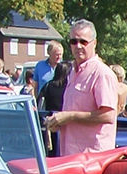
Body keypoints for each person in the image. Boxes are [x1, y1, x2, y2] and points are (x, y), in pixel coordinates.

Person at [45, 21, 117, 156]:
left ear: (94, 43)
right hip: (71, 155)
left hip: (91, 158)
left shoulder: (101, 73)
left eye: (83, 42)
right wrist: (59, 122)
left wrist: (70, 116)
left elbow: (108, 115)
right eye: (73, 41)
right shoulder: (73, 72)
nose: (78, 46)